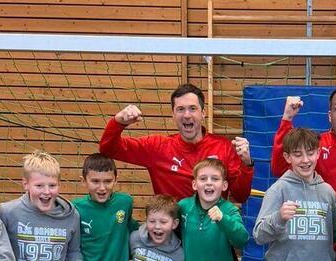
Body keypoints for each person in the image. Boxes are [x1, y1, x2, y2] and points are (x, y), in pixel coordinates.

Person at [99, 83, 253, 203]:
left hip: (212, 233)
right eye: (180, 109)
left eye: (192, 108)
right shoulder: (157, 147)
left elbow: (241, 196)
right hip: (171, 236)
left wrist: (246, 164)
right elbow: (108, 149)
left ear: (203, 113)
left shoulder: (224, 147)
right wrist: (118, 122)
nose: (187, 115)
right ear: (173, 115)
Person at [254, 127, 336, 261]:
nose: (305, 160)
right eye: (298, 154)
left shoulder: (327, 192)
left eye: (310, 153)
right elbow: (259, 235)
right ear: (287, 157)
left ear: (318, 153)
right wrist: (279, 217)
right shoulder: (278, 190)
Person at [0, 151, 88, 261]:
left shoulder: (71, 215)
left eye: (52, 185)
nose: (46, 192)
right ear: (25, 184)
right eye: (39, 186)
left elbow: (74, 252)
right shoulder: (8, 212)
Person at [72, 153, 137, 261]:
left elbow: (133, 231)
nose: (102, 188)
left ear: (116, 179)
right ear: (83, 180)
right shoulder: (76, 209)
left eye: (108, 181)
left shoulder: (125, 203)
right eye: (95, 181)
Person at [177, 159, 249, 261]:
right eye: (203, 178)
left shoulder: (229, 209)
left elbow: (242, 239)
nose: (209, 183)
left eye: (215, 179)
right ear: (194, 184)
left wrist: (223, 219)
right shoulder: (183, 207)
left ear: (224, 185)